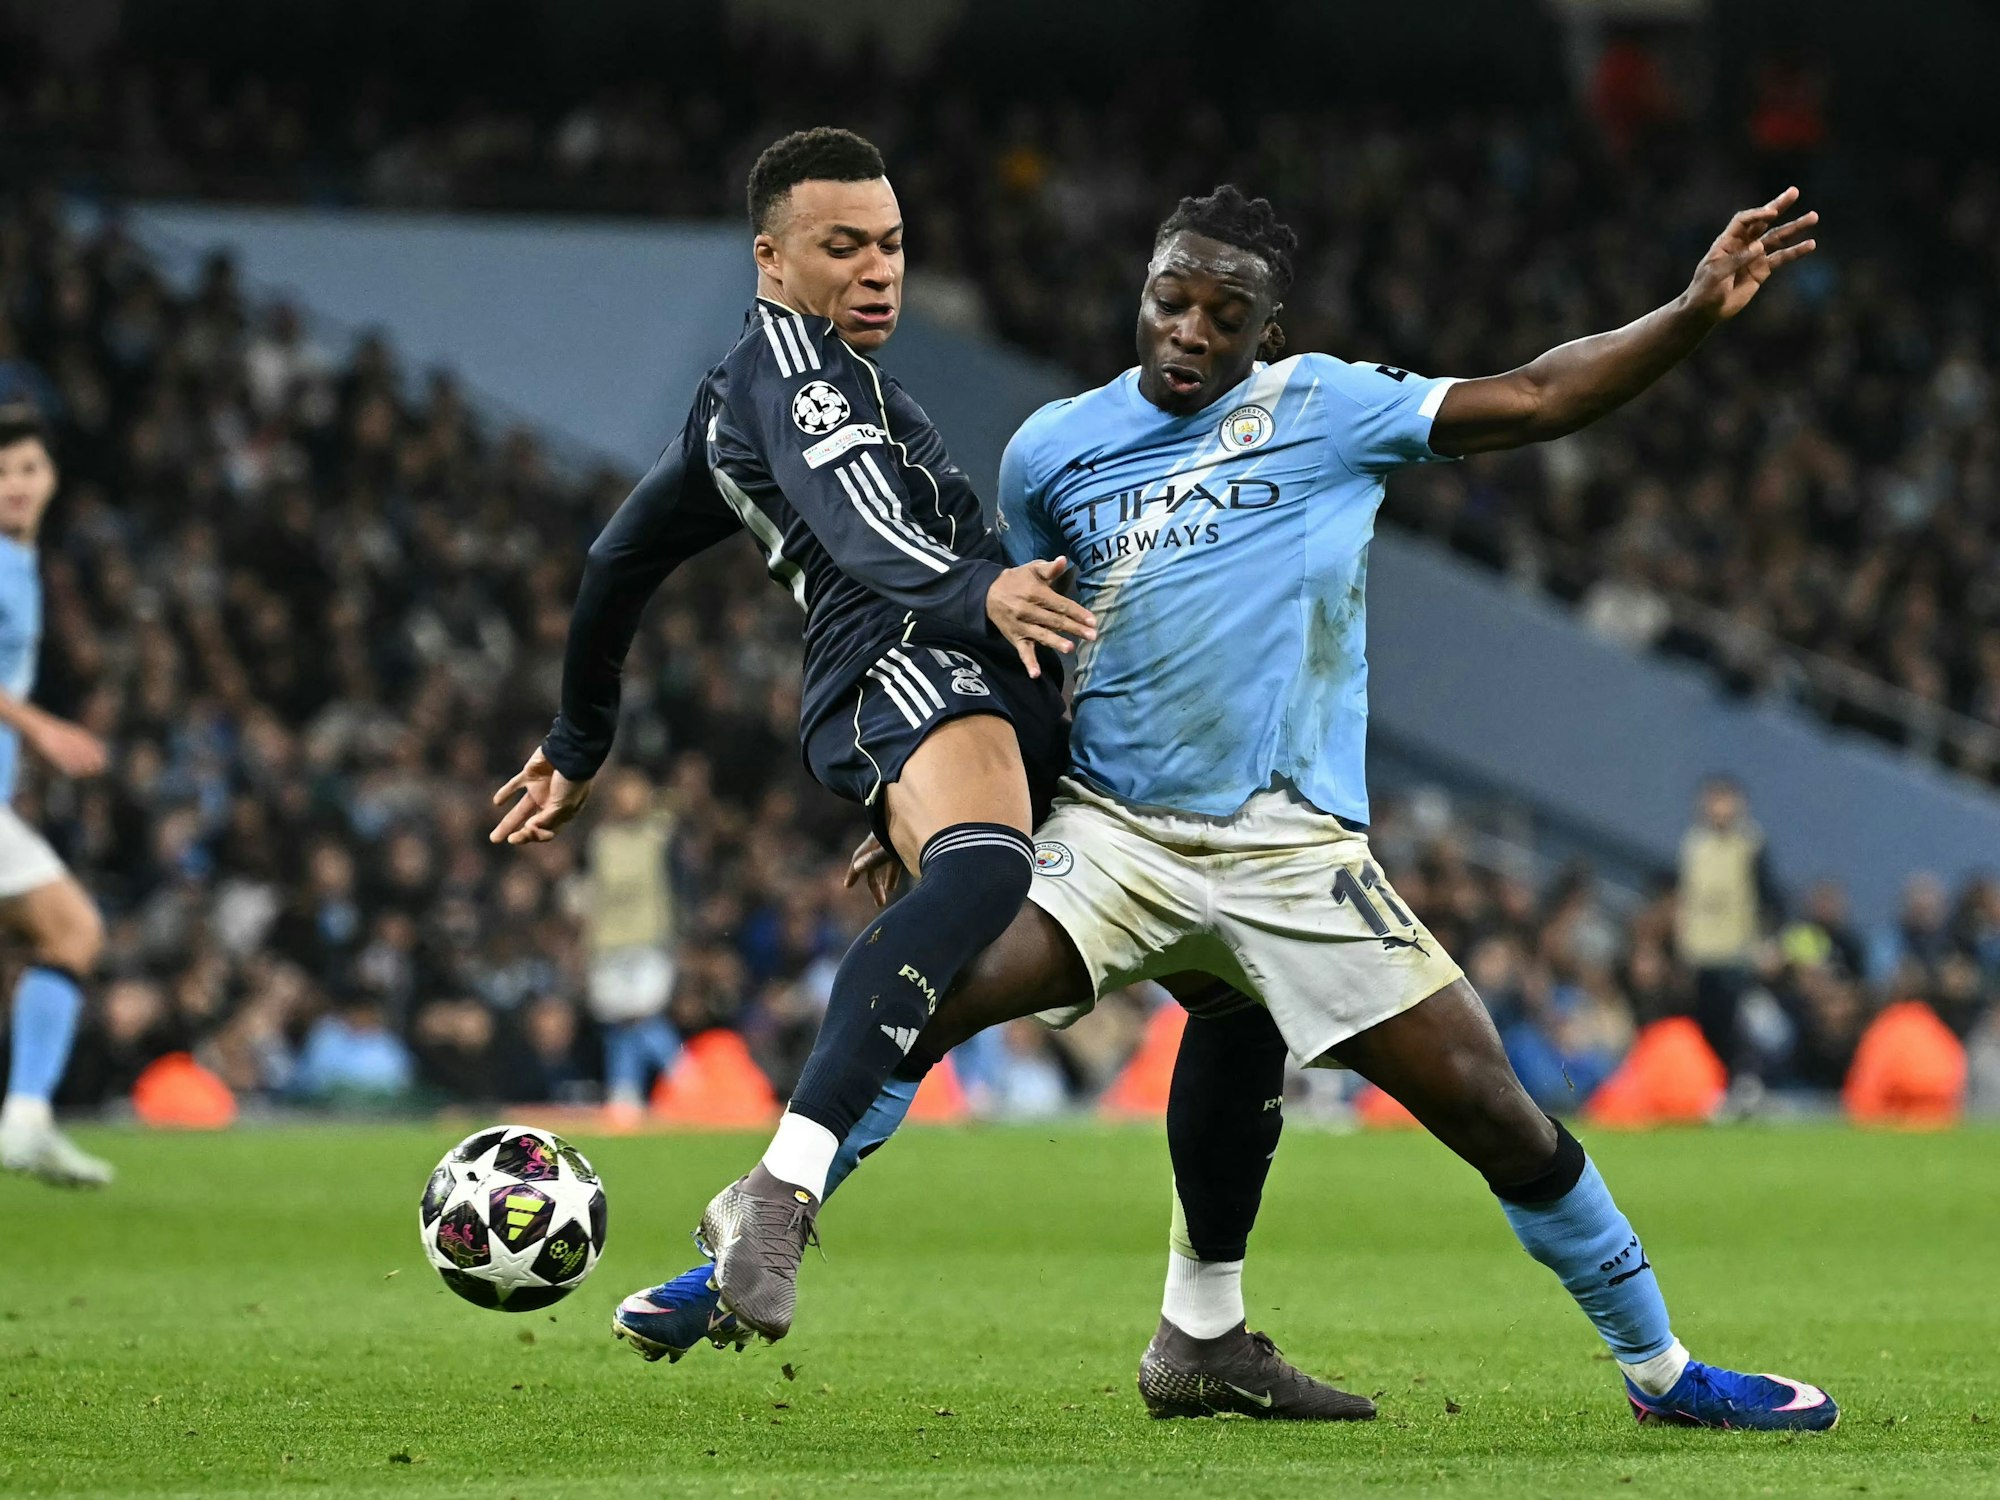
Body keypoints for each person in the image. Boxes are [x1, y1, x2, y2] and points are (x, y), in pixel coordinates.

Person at [627, 183, 1840, 1432]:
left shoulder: (1328, 404)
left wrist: (1689, 312)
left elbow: (1535, 394)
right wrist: (935, 810)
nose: (1191, 329)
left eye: (1225, 311)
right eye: (1171, 298)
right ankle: (747, 1234)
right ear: (1141, 293)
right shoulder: (1049, 451)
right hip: (1112, 835)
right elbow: (1031, 665)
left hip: (1290, 848)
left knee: (1493, 1110)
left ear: (1268, 328)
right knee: (925, 988)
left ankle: (1658, 1374)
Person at [490, 128, 1094, 1339]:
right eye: (842, 247)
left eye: (892, 245)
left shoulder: (759, 392)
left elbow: (618, 557)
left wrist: (577, 734)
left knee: (950, 980)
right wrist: (975, 590)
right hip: (905, 650)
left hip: (954, 664)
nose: (877, 271)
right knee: (984, 871)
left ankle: (725, 1262)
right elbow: (865, 526)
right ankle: (776, 1196)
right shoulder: (796, 372)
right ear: (770, 258)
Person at [0, 407, 114, 1186]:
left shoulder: (24, 563)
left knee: (64, 935)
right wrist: (38, 728)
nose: (15, 484)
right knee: (72, 929)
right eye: (2, 471)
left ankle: (28, 1119)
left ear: (52, 480)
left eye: (29, 469)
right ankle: (26, 1119)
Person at [580, 767, 681, 1125]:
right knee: (621, 1023)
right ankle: (629, 1096)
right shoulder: (600, 841)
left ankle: (680, 1080)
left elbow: (676, 809)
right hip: (608, 943)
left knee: (644, 1016)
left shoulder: (658, 835)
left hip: (650, 938)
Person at [1675, 775, 1784, 1085]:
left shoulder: (1751, 844)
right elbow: (1689, 901)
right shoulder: (1694, 845)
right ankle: (1711, 1088)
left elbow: (1769, 897)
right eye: (1713, 800)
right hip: (1700, 955)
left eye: (1725, 800)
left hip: (1738, 953)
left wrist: (1769, 944)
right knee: (1706, 1027)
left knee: (1739, 1027)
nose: (1719, 808)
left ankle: (1743, 1084)